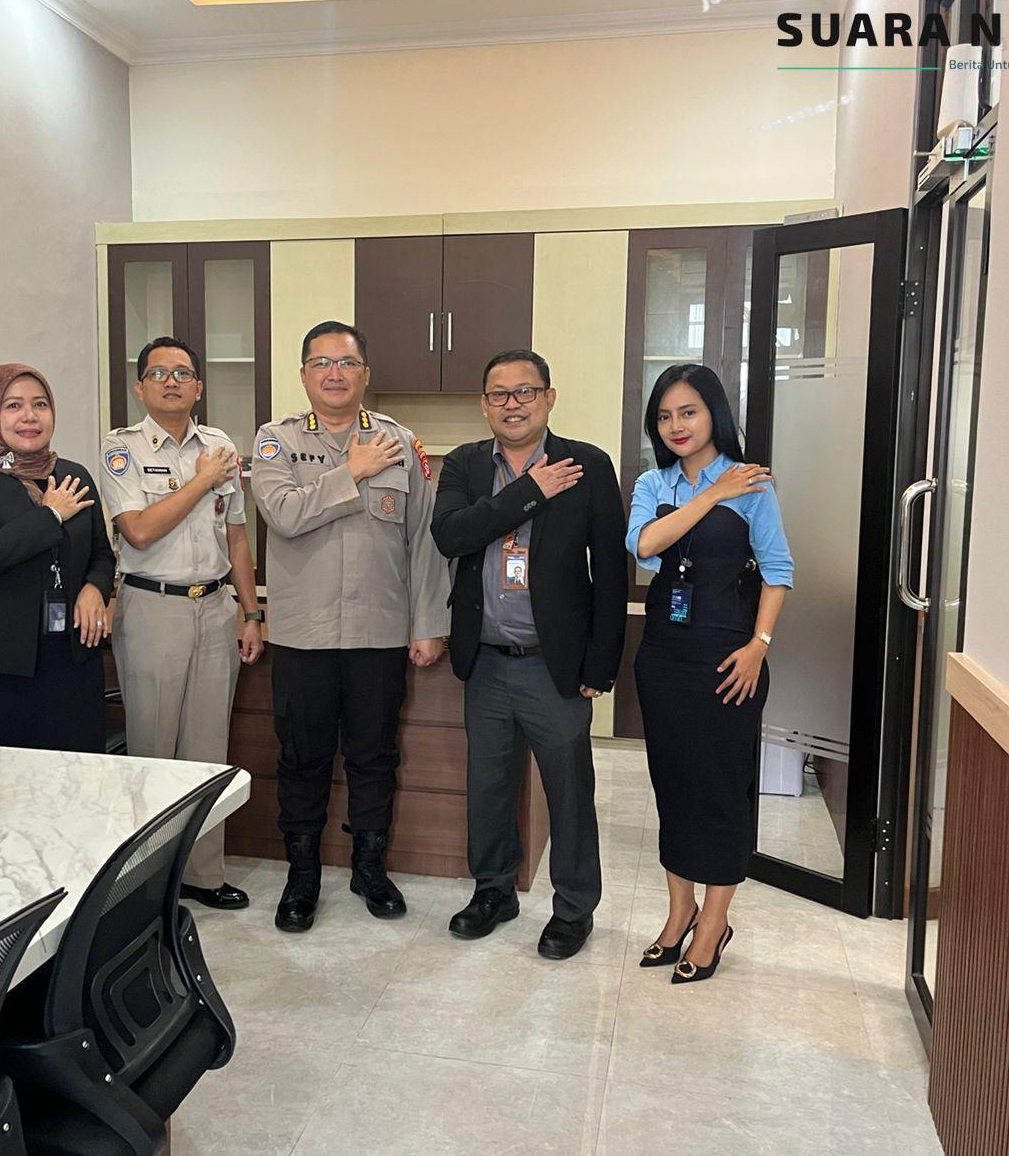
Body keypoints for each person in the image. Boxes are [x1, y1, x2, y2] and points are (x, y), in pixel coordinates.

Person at [249, 320, 451, 933]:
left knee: (374, 756)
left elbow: (424, 540)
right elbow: (283, 514)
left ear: (366, 374)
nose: (334, 373)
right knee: (302, 758)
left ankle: (369, 867)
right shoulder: (275, 441)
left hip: (378, 632)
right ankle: (302, 875)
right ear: (303, 374)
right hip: (303, 635)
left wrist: (427, 623)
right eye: (321, 363)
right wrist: (353, 472)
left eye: (346, 362)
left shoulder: (400, 442)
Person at [431, 350, 627, 960]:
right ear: (484, 403)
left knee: (568, 792)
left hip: (555, 663)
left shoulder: (587, 464)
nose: (512, 404)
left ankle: (573, 908)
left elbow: (611, 571)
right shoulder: (465, 463)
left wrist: (601, 664)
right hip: (486, 660)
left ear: (549, 397)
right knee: (488, 785)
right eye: (499, 394)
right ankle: (493, 891)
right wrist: (529, 492)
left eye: (526, 392)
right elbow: (450, 536)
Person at [627, 363, 792, 984]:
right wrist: (710, 495)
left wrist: (759, 646)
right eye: (665, 416)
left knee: (720, 788)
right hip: (663, 657)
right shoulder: (654, 483)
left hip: (729, 660)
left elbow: (778, 571)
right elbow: (644, 545)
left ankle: (714, 923)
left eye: (688, 412)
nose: (676, 425)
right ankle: (680, 913)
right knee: (672, 786)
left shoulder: (752, 484)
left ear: (713, 413)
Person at [98, 337, 263, 911]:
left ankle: (202, 873)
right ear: (140, 387)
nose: (171, 381)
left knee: (207, 750)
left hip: (215, 607)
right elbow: (139, 530)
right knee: (153, 749)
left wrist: (250, 612)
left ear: (198, 387)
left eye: (183, 373)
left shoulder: (220, 446)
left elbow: (236, 537)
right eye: (159, 373)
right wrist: (199, 480)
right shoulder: (122, 448)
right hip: (153, 607)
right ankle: (144, 886)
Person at [0, 363, 114, 752]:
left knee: (83, 773)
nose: (29, 416)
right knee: (13, 780)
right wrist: (49, 515)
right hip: (4, 666)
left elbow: (102, 554)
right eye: (13, 405)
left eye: (40, 404)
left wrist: (94, 588)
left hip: (74, 658)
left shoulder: (73, 476)